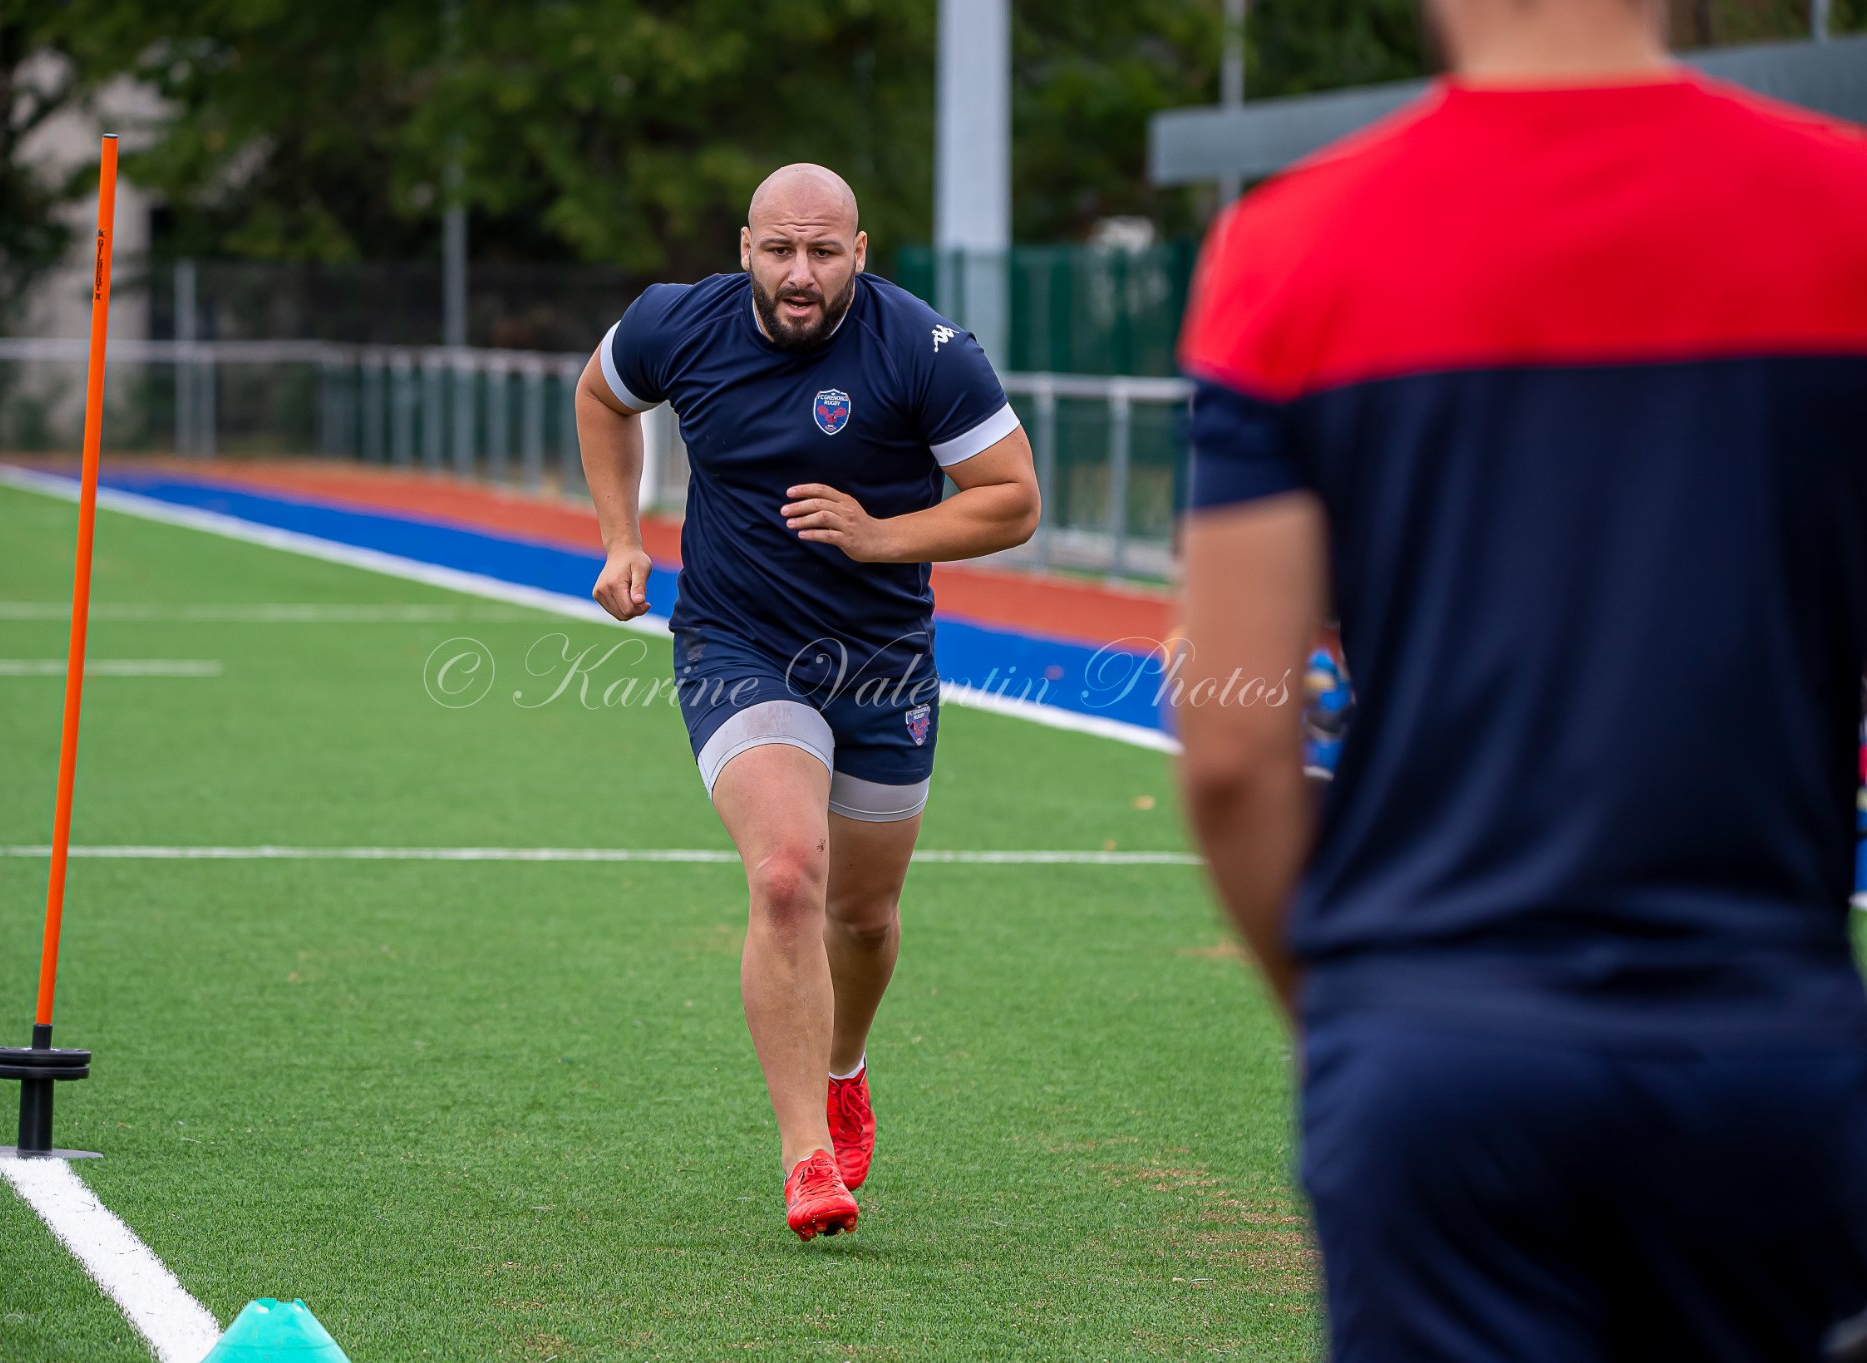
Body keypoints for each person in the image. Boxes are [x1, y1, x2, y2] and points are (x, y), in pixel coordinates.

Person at [1169, 0, 1867, 1353]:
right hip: (1765, 1044)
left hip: (1434, 1047)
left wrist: (1363, 1019)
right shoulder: (1843, 211)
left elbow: (1233, 750)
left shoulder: (1293, 242)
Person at [576, 163, 1039, 1240]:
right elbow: (602, 395)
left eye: (823, 252)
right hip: (737, 643)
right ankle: (806, 1158)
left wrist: (880, 536)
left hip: (881, 659)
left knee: (863, 917)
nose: (799, 273)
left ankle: (844, 1068)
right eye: (779, 249)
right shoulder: (677, 323)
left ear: (858, 254)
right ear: (744, 247)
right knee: (786, 872)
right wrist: (619, 536)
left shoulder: (923, 349)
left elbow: (1013, 500)